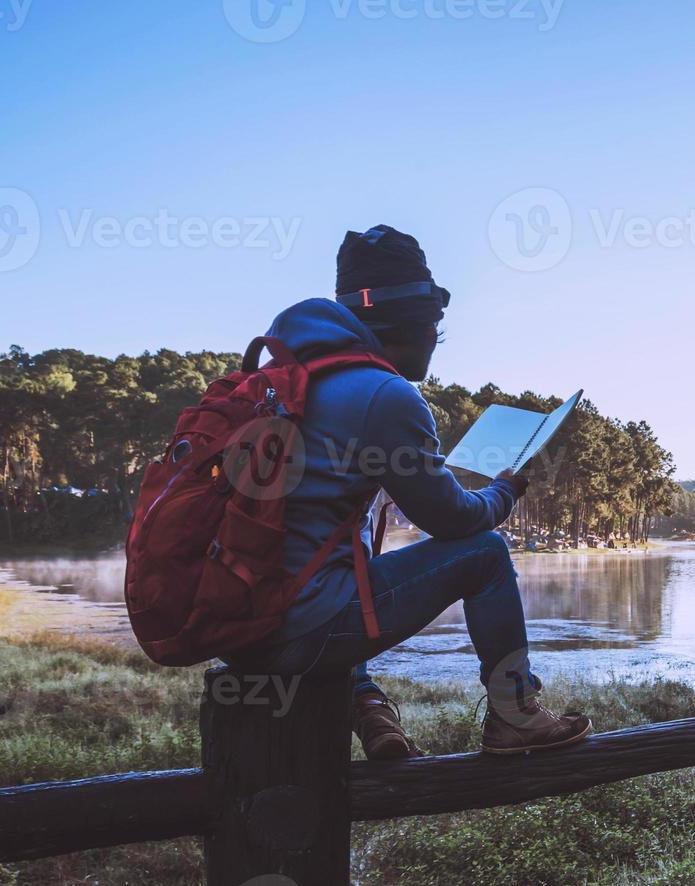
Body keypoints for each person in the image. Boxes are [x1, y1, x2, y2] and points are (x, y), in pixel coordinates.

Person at [227, 224, 591, 759]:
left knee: (337, 568)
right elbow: (455, 523)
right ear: (418, 321)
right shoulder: (384, 395)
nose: (436, 343)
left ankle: (365, 700)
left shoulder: (286, 380)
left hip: (238, 632)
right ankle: (515, 713)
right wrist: (503, 493)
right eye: (437, 328)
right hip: (294, 634)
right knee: (487, 554)